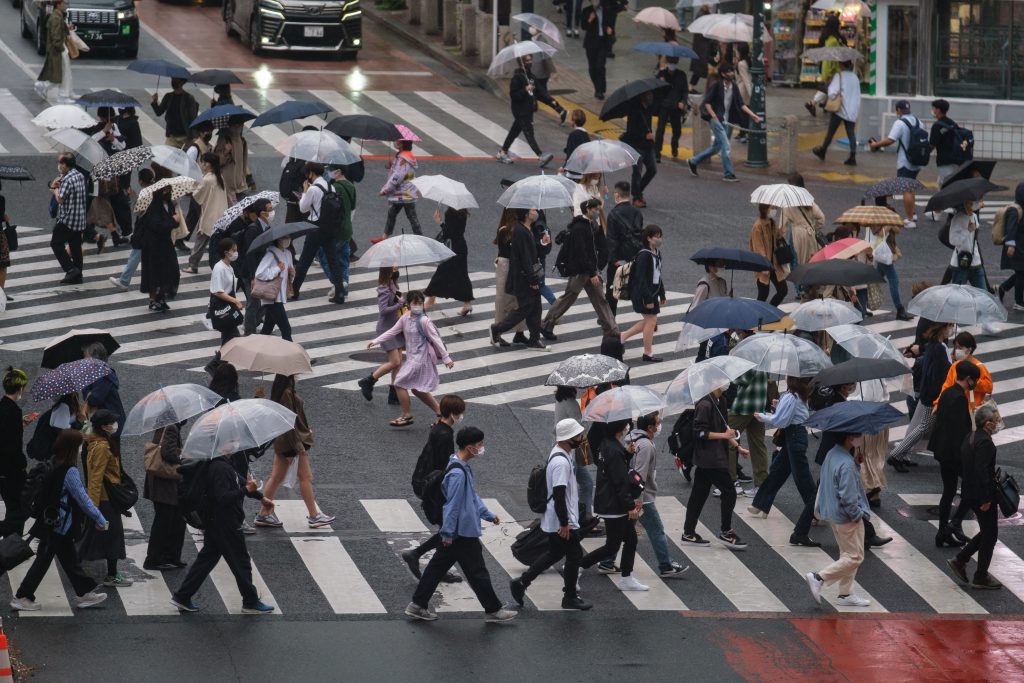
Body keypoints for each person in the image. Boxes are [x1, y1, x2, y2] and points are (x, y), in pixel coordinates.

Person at [405, 427, 516, 622]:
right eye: (480, 444)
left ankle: (417, 605)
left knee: (436, 569)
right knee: (477, 571)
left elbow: (471, 497)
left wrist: (487, 514)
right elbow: (453, 505)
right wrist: (447, 533)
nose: (482, 448)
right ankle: (493, 609)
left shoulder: (460, 466)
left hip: (458, 531)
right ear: (470, 447)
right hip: (461, 533)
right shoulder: (457, 473)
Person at [10, 430, 109, 611]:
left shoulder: (53, 461)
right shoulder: (69, 471)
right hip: (60, 524)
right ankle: (23, 596)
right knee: (44, 560)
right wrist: (100, 519)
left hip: (50, 521)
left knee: (68, 559)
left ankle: (84, 593)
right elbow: (83, 498)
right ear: (73, 448)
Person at [170, 449, 276, 613]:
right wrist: (246, 491)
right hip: (226, 523)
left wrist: (260, 497)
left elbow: (240, 480)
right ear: (223, 446)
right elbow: (224, 497)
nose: (236, 445)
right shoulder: (220, 468)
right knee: (241, 562)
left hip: (216, 522)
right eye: (232, 442)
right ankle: (250, 601)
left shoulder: (221, 464)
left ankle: (182, 596)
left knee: (206, 560)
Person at [509, 418, 592, 610]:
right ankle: (569, 597)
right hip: (562, 520)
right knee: (574, 555)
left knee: (555, 553)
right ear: (568, 438)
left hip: (558, 518)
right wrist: (565, 523)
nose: (581, 438)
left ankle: (522, 582)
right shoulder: (561, 463)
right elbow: (559, 494)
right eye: (578, 435)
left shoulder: (559, 453)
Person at [254, 374, 335, 529]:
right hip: (290, 442)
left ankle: (263, 514)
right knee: (305, 477)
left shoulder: (284, 390)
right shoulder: (285, 393)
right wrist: (298, 447)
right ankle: (314, 516)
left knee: (277, 477)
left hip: (285, 441)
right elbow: (288, 422)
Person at [401, 395, 467, 583]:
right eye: (460, 412)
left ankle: (435, 567)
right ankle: (416, 554)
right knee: (450, 530)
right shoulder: (445, 434)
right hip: (434, 486)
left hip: (425, 480)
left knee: (447, 529)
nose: (461, 416)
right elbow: (444, 465)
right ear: (453, 413)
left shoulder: (439, 428)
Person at [578, 419, 648, 589]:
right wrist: (630, 506)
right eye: (626, 425)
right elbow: (620, 481)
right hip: (614, 505)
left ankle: (626, 576)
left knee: (629, 540)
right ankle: (577, 566)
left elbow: (613, 468)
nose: (627, 428)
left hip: (609, 502)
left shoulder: (607, 445)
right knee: (612, 546)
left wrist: (627, 454)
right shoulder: (613, 450)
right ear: (620, 428)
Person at [806, 431, 873, 608]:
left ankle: (845, 593)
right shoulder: (846, 464)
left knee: (847, 554)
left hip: (833, 513)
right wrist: (858, 515)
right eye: (858, 434)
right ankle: (819, 577)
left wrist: (856, 465)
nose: (861, 437)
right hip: (847, 517)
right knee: (855, 557)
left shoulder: (833, 454)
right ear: (849, 437)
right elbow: (849, 497)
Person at [370, 290, 454, 427]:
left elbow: (437, 340)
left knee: (398, 383)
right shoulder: (405, 317)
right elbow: (393, 331)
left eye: (420, 303)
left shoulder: (425, 321)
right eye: (415, 303)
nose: (418, 306)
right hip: (412, 359)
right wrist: (376, 341)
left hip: (421, 360)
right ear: (408, 304)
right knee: (417, 389)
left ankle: (407, 415)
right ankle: (441, 414)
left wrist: (447, 358)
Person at [747, 378, 816, 542]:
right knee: (778, 471)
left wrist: (763, 416)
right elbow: (788, 414)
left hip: (794, 436)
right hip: (794, 436)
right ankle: (760, 504)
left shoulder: (792, 396)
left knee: (802, 477)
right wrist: (779, 405)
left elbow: (781, 420)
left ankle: (815, 510)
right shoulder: (797, 395)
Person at [540, 200, 619, 341]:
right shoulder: (580, 228)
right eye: (595, 209)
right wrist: (593, 272)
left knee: (599, 299)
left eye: (598, 209)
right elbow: (582, 253)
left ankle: (611, 329)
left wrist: (596, 268)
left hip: (589, 270)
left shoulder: (593, 225)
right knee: (570, 298)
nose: (597, 211)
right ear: (587, 209)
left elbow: (599, 248)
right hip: (580, 271)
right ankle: (547, 323)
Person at [682, 386, 749, 549]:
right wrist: (724, 436)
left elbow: (723, 428)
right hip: (710, 459)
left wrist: (736, 446)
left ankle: (688, 533)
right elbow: (699, 433)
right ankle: (726, 531)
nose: (727, 384)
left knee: (698, 495)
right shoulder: (705, 405)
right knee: (729, 492)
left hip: (714, 457)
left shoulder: (721, 400)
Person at [946, 405, 1003, 590]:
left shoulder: (970, 437)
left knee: (988, 531)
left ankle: (961, 560)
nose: (997, 424)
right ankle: (980, 576)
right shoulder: (985, 442)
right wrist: (986, 498)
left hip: (970, 491)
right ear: (987, 424)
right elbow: (982, 471)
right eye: (995, 420)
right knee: (991, 534)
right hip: (981, 494)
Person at [78, 409, 133, 588]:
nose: (114, 425)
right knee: (112, 538)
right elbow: (95, 478)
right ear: (103, 426)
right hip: (105, 500)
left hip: (104, 499)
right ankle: (111, 575)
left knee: (94, 538)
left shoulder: (98, 442)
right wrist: (93, 508)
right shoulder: (101, 447)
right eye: (111, 422)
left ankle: (106, 573)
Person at [629, 412, 688, 576]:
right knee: (656, 530)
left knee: (624, 530)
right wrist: (638, 500)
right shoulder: (646, 446)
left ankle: (607, 561)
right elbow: (638, 475)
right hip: (643, 498)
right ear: (650, 427)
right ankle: (666, 565)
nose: (660, 425)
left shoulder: (633, 439)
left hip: (633, 495)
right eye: (658, 423)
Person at [889, 322, 953, 470]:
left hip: (929, 393)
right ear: (942, 328)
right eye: (949, 326)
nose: (951, 329)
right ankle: (896, 455)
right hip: (933, 395)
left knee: (920, 426)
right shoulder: (938, 348)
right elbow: (938, 375)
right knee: (923, 427)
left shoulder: (935, 345)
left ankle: (901, 454)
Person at [930, 362, 981, 548]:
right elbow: (960, 432)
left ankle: (942, 531)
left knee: (949, 490)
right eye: (973, 380)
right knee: (973, 487)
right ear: (968, 379)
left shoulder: (947, 392)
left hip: (943, 451)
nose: (974, 383)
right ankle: (955, 522)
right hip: (954, 454)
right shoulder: (960, 398)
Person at [688, 62, 761, 182]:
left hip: (728, 121)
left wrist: (753, 115)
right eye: (728, 71)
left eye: (732, 71)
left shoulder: (734, 86)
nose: (731, 73)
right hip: (716, 120)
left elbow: (741, 104)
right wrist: (714, 116)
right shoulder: (717, 85)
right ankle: (728, 174)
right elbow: (707, 102)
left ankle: (693, 161)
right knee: (726, 146)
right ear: (723, 74)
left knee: (716, 148)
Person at [491, 208, 549, 349]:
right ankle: (498, 328)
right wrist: (533, 279)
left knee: (535, 307)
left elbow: (532, 251)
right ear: (527, 214)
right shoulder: (520, 231)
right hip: (523, 277)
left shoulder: (528, 228)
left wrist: (543, 242)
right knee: (526, 307)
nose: (536, 212)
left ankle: (534, 339)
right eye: (533, 209)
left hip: (527, 275)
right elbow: (524, 258)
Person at [291, 162, 347, 305]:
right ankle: (339, 292)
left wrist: (304, 192)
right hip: (329, 228)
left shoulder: (313, 189)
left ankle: (294, 290)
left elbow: (303, 208)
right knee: (333, 260)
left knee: (304, 261)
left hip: (315, 228)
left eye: (307, 173)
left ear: (311, 173)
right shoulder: (331, 186)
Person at [868, 101, 922, 229]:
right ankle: (912, 214)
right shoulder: (918, 121)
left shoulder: (900, 123)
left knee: (906, 190)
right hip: (917, 160)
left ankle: (910, 220)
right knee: (911, 186)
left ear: (898, 110)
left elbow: (890, 140)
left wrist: (876, 145)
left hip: (905, 161)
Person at [143, 419, 186, 570]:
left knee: (173, 520)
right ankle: (155, 559)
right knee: (165, 521)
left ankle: (170, 556)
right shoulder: (171, 427)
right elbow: (168, 453)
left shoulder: (165, 425)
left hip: (162, 483)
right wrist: (183, 459)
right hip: (165, 484)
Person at [497, 55, 555, 168]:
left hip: (527, 110)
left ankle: (502, 152)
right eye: (527, 60)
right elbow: (514, 95)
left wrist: (552, 102)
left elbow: (539, 92)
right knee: (529, 132)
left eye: (531, 60)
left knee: (514, 131)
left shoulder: (530, 77)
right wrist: (525, 89)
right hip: (520, 110)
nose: (531, 62)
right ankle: (540, 155)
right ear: (522, 63)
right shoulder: (517, 78)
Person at [620, 225, 666, 362]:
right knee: (651, 322)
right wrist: (648, 298)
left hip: (652, 292)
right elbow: (640, 279)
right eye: (656, 236)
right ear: (648, 238)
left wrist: (662, 294)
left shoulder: (656, 253)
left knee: (649, 321)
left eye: (660, 236)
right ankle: (647, 353)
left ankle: (622, 337)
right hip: (643, 294)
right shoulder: (644, 255)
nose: (659, 239)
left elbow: (658, 274)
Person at [358, 267, 404, 403]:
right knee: (394, 361)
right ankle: (369, 381)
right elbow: (383, 311)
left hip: (396, 328)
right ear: (387, 271)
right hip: (386, 329)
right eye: (394, 267)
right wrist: (399, 305)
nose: (397, 269)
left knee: (398, 363)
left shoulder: (392, 284)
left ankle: (394, 394)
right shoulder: (383, 288)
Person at [182, 153, 230, 275]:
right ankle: (224, 264)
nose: (203, 164)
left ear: (210, 164)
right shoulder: (220, 177)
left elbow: (197, 195)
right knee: (219, 244)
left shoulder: (207, 179)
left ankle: (193, 265)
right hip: (221, 215)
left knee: (200, 242)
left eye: (204, 162)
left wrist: (194, 184)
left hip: (210, 216)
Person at [553, 386, 596, 523]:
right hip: (571, 449)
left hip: (564, 446)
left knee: (585, 484)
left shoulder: (560, 400)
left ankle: (584, 516)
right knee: (583, 484)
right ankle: (583, 518)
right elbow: (580, 429)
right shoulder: (571, 403)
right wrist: (589, 411)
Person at [109, 168, 155, 290]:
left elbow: (139, 212)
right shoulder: (156, 189)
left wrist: (134, 197)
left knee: (136, 254)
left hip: (144, 229)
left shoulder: (145, 193)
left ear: (140, 181)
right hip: (154, 229)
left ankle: (124, 281)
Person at [0, 367, 33, 537]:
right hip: (13, 470)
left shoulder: (2, 407)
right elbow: (12, 444)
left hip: (2, 470)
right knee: (22, 510)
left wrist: (20, 425)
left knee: (13, 508)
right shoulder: (14, 411)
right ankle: (11, 541)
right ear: (20, 388)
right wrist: (22, 465)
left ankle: (12, 546)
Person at [138, 184, 181, 313]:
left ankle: (161, 296)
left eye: (169, 190)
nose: (168, 192)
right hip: (153, 246)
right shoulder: (152, 208)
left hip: (165, 244)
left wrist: (175, 220)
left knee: (170, 270)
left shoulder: (168, 204)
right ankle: (153, 299)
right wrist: (173, 221)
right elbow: (157, 226)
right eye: (165, 190)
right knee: (154, 273)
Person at [726, 363, 767, 495]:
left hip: (744, 405)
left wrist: (729, 369)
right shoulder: (764, 352)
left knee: (727, 439)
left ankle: (731, 482)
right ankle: (761, 484)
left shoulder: (749, 353)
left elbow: (742, 378)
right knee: (758, 445)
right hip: (759, 404)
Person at [424, 206, 474, 316]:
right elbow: (457, 231)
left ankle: (431, 299)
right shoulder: (463, 212)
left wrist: (439, 221)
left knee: (441, 272)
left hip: (452, 248)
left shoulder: (450, 213)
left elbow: (448, 233)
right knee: (462, 275)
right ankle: (467, 303)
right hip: (461, 246)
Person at [605, 181, 644, 315]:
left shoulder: (613, 214)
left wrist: (613, 258)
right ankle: (647, 315)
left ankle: (610, 317)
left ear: (617, 194)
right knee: (637, 285)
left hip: (619, 257)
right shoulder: (637, 212)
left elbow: (611, 239)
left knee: (612, 287)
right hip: (635, 255)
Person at [811, 61, 859, 166]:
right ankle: (852, 157)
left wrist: (825, 88)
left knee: (831, 132)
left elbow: (832, 93)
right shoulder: (855, 77)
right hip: (852, 110)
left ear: (841, 65)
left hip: (840, 109)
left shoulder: (839, 75)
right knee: (851, 134)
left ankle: (822, 151)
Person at [862, 221, 912, 320]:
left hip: (882, 253)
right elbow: (880, 233)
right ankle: (900, 310)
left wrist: (891, 224)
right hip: (882, 254)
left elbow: (898, 231)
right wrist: (889, 223)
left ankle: (862, 305)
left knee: (874, 278)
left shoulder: (885, 221)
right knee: (894, 281)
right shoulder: (876, 221)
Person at [50, 153, 87, 285]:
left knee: (55, 243)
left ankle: (71, 270)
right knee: (75, 247)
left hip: (68, 219)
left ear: (65, 165)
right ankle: (78, 276)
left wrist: (54, 189)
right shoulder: (79, 175)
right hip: (80, 218)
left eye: (60, 163)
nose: (58, 166)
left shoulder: (67, 179)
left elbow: (60, 199)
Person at [240, 198, 274, 335]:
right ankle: (249, 334)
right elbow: (249, 255)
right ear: (262, 213)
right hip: (251, 272)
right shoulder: (253, 230)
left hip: (263, 270)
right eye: (270, 210)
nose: (272, 212)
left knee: (266, 301)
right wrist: (253, 277)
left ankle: (252, 323)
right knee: (253, 304)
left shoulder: (267, 228)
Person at [254, 235, 295, 341]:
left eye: (288, 238)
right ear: (278, 240)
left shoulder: (288, 254)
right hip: (271, 298)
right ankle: (291, 355)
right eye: (285, 238)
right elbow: (259, 273)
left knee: (267, 329)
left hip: (280, 296)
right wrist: (277, 269)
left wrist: (292, 273)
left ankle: (260, 351)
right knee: (286, 329)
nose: (287, 240)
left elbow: (288, 275)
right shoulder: (270, 254)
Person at [81, 342, 125, 440]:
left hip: (107, 424)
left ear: (94, 358)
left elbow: (94, 400)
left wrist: (85, 384)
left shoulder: (102, 376)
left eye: (86, 356)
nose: (84, 360)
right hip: (104, 421)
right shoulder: (101, 373)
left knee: (107, 452)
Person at [380, 140, 422, 236]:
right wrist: (390, 165)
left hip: (404, 193)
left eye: (397, 141)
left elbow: (397, 177)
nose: (395, 142)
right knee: (393, 214)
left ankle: (421, 238)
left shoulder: (404, 158)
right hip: (404, 193)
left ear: (402, 144)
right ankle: (384, 236)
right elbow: (397, 170)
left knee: (411, 217)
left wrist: (385, 190)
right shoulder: (402, 156)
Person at [622, 92, 657, 208]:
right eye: (648, 96)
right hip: (636, 146)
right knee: (637, 171)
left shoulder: (650, 108)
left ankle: (638, 191)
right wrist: (644, 136)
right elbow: (630, 132)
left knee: (652, 169)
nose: (651, 97)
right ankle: (636, 197)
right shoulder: (634, 110)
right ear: (642, 96)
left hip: (648, 146)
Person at [34, 0, 73, 103]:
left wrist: (67, 28)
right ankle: (46, 87)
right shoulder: (55, 17)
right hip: (57, 49)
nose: (65, 6)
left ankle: (60, 93)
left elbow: (58, 30)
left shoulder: (57, 15)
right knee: (61, 74)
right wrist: (60, 47)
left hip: (57, 48)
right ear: (58, 5)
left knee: (61, 73)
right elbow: (55, 35)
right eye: (63, 4)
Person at [750, 203, 789, 305]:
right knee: (763, 294)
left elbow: (775, 239)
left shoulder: (771, 223)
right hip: (764, 265)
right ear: (765, 209)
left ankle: (769, 311)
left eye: (775, 208)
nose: (774, 210)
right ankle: (757, 315)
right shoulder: (757, 226)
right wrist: (764, 265)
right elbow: (758, 248)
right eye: (772, 208)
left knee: (783, 290)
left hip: (774, 264)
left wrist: (780, 234)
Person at [804, 15, 843, 117]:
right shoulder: (833, 41)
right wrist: (831, 72)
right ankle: (815, 103)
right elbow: (832, 59)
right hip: (831, 70)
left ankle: (820, 104)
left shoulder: (825, 37)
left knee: (827, 88)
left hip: (824, 66)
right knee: (831, 89)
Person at [208, 237, 244, 346]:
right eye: (233, 250)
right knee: (232, 341)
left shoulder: (229, 267)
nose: (236, 253)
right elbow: (217, 291)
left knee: (229, 342)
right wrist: (235, 301)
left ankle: (221, 361)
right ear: (225, 252)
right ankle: (218, 362)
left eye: (236, 250)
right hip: (223, 308)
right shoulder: (219, 268)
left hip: (228, 307)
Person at [527, 33, 568, 124]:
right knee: (542, 96)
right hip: (535, 73)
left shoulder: (542, 40)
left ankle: (531, 117)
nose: (531, 28)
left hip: (540, 75)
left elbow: (547, 58)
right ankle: (561, 110)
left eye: (533, 26)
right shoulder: (532, 39)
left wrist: (553, 72)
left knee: (534, 95)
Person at [654, 57, 689, 162]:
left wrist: (683, 101)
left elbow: (685, 91)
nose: (672, 64)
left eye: (674, 62)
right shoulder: (661, 74)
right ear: (667, 63)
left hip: (676, 107)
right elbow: (655, 89)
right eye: (670, 62)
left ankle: (674, 146)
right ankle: (657, 153)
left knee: (677, 131)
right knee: (660, 130)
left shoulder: (682, 75)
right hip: (664, 106)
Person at [151, 78, 199, 149]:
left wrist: (195, 136)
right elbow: (159, 112)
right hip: (172, 137)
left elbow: (193, 118)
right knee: (168, 157)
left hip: (185, 137)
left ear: (182, 83)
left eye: (177, 80)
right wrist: (155, 102)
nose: (173, 82)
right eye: (173, 79)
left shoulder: (189, 98)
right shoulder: (168, 96)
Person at [948, 201, 986, 289]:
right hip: (960, 263)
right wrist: (967, 231)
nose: (971, 206)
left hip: (975, 261)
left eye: (972, 203)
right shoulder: (957, 218)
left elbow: (973, 239)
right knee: (957, 296)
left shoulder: (974, 217)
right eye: (968, 203)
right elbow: (953, 240)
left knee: (983, 294)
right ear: (963, 205)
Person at [216, 118, 255, 203]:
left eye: (240, 125)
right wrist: (226, 152)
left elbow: (244, 163)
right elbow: (217, 161)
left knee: (241, 211)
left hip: (240, 184)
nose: (237, 128)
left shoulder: (242, 141)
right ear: (230, 126)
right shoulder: (224, 140)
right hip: (227, 186)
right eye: (235, 126)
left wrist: (246, 178)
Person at [998, 182, 1024, 310]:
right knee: (1021, 272)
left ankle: (1003, 288)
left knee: (1021, 272)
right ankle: (1019, 302)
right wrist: (1011, 245)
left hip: (1021, 247)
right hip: (1016, 247)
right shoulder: (1015, 209)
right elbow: (1011, 228)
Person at [930, 99, 967, 187]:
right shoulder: (953, 124)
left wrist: (921, 155)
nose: (933, 110)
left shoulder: (937, 126)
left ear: (938, 110)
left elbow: (932, 144)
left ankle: (953, 200)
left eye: (934, 108)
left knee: (946, 185)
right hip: (957, 158)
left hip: (944, 160)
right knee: (949, 182)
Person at [582, 0, 613, 99]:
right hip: (591, 43)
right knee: (592, 68)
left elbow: (610, 24)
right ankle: (597, 87)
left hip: (602, 42)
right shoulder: (586, 10)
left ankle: (600, 90)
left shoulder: (606, 10)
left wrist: (610, 29)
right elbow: (583, 26)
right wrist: (590, 19)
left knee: (600, 66)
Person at [562, 110, 591, 176]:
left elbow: (571, 154)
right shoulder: (586, 135)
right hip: (583, 171)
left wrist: (564, 167)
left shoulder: (573, 134)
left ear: (574, 121)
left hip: (573, 171)